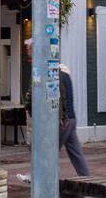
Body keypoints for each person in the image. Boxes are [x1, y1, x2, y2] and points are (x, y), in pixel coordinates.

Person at [24, 39, 91, 177]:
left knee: (47, 151)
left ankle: (39, 178)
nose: (27, 51)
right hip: (70, 119)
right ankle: (86, 177)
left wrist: (60, 116)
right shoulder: (60, 71)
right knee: (75, 152)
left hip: (62, 120)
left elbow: (58, 95)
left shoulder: (50, 71)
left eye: (29, 49)